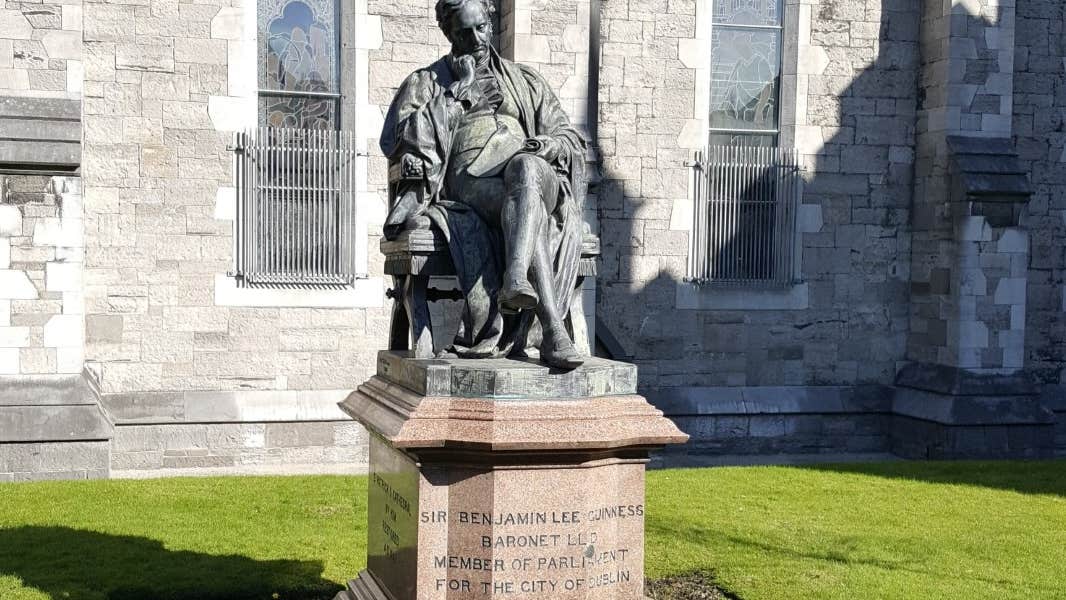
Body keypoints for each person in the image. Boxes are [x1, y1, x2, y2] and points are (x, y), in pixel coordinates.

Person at [381, 0, 588, 369]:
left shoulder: (525, 81)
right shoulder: (427, 82)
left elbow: (568, 135)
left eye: (481, 28)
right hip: (471, 183)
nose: (476, 39)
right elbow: (396, 138)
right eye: (464, 32)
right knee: (531, 208)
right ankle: (553, 330)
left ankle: (515, 277)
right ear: (448, 33)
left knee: (527, 167)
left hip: (529, 167)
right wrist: (459, 93)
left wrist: (552, 145)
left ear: (491, 24)